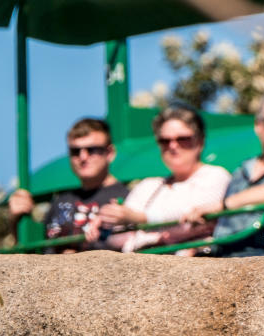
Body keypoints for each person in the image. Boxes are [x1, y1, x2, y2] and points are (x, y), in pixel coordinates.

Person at [184, 87, 264, 257]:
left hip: (263, 258)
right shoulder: (241, 171)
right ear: (258, 125)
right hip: (221, 256)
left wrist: (222, 205)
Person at [95, 104, 229, 252]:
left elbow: (192, 218)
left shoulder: (216, 175)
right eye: (165, 141)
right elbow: (116, 238)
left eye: (182, 139)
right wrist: (107, 220)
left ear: (200, 141)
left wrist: (137, 218)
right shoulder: (148, 186)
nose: (172, 146)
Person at [8, 117, 129, 250]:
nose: (83, 157)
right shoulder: (60, 201)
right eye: (75, 151)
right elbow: (32, 254)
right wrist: (16, 222)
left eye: (92, 150)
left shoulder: (128, 199)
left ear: (110, 153)